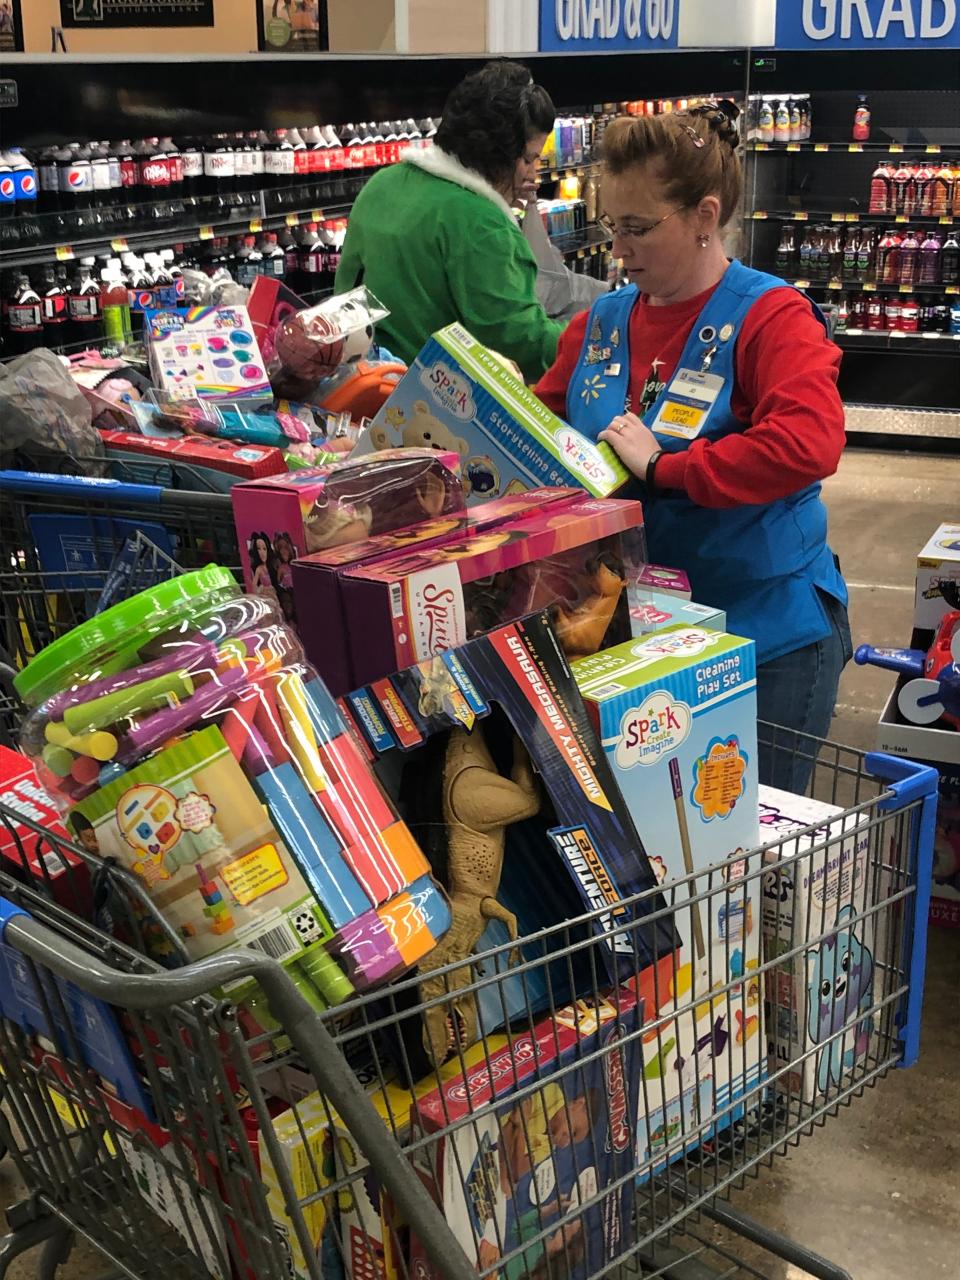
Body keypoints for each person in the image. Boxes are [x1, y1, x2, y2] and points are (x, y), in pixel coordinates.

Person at [535, 104, 852, 792]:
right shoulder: (601, 325)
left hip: (763, 638)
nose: (619, 249)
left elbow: (809, 441)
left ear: (705, 215)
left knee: (742, 855)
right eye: (612, 226)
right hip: (636, 643)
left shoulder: (770, 316)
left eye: (640, 228)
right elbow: (543, 425)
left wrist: (667, 467)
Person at [335, 60, 563, 380]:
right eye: (528, 159)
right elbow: (518, 342)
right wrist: (585, 338)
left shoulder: (382, 184)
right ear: (495, 154)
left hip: (361, 383)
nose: (532, 172)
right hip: (434, 402)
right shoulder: (481, 223)